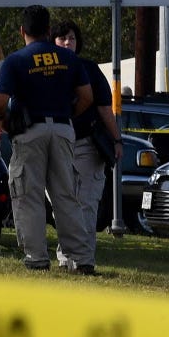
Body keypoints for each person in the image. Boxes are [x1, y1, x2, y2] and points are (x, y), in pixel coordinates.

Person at [0, 5, 94, 273]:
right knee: (66, 195)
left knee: (29, 194)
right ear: (49, 31)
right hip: (62, 128)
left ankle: (37, 258)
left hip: (29, 132)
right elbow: (87, 97)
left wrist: (4, 123)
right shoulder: (69, 59)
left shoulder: (14, 61)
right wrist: (67, 114)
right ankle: (81, 259)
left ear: (22, 30)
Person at [51, 19, 122, 270]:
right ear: (52, 42)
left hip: (86, 145)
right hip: (57, 144)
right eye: (62, 38)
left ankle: (83, 260)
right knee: (63, 203)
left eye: (71, 38)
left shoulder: (89, 69)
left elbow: (105, 108)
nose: (68, 42)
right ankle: (66, 257)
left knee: (86, 203)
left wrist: (117, 139)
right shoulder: (48, 70)